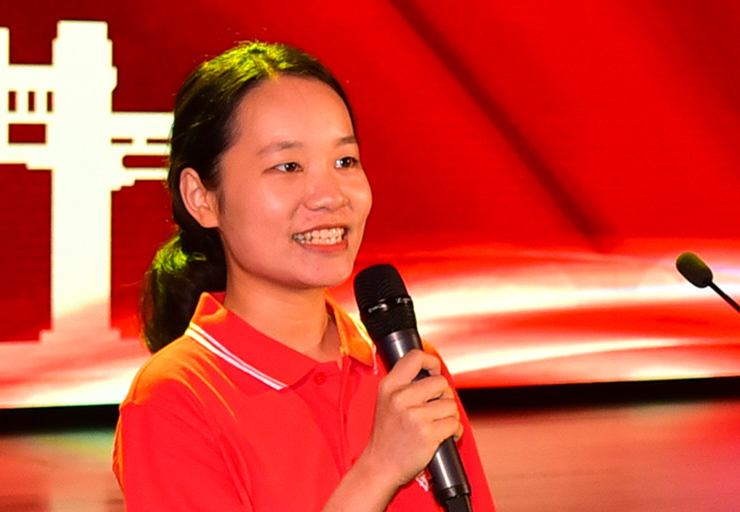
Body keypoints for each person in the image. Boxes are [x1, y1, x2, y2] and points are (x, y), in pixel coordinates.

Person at [113, 41, 496, 512]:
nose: (330, 195)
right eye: (288, 166)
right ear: (201, 197)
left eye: (345, 161)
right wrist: (379, 469)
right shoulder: (173, 399)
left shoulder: (405, 367)